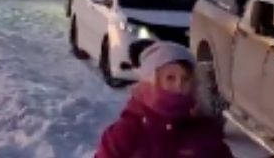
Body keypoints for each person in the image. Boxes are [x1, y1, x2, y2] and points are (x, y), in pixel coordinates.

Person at [96, 42, 234, 158]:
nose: (179, 85)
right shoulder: (126, 133)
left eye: (185, 79)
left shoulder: (203, 133)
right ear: (151, 81)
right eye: (170, 78)